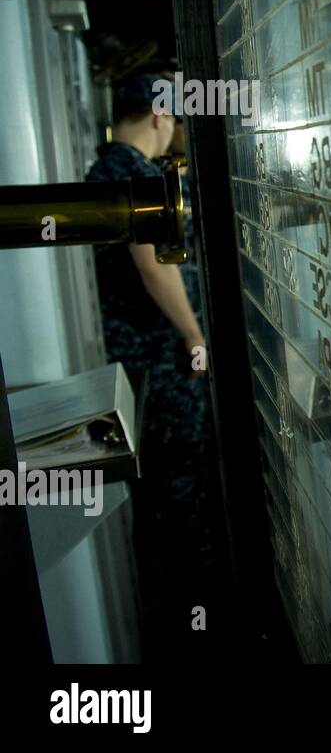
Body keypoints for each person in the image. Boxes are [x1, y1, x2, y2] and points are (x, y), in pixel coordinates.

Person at [86, 71, 228, 660]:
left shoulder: (106, 170)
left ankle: (175, 619)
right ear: (160, 116)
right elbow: (154, 264)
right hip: (163, 359)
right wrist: (196, 335)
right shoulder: (138, 176)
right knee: (181, 485)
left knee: (163, 489)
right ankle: (195, 626)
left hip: (135, 356)